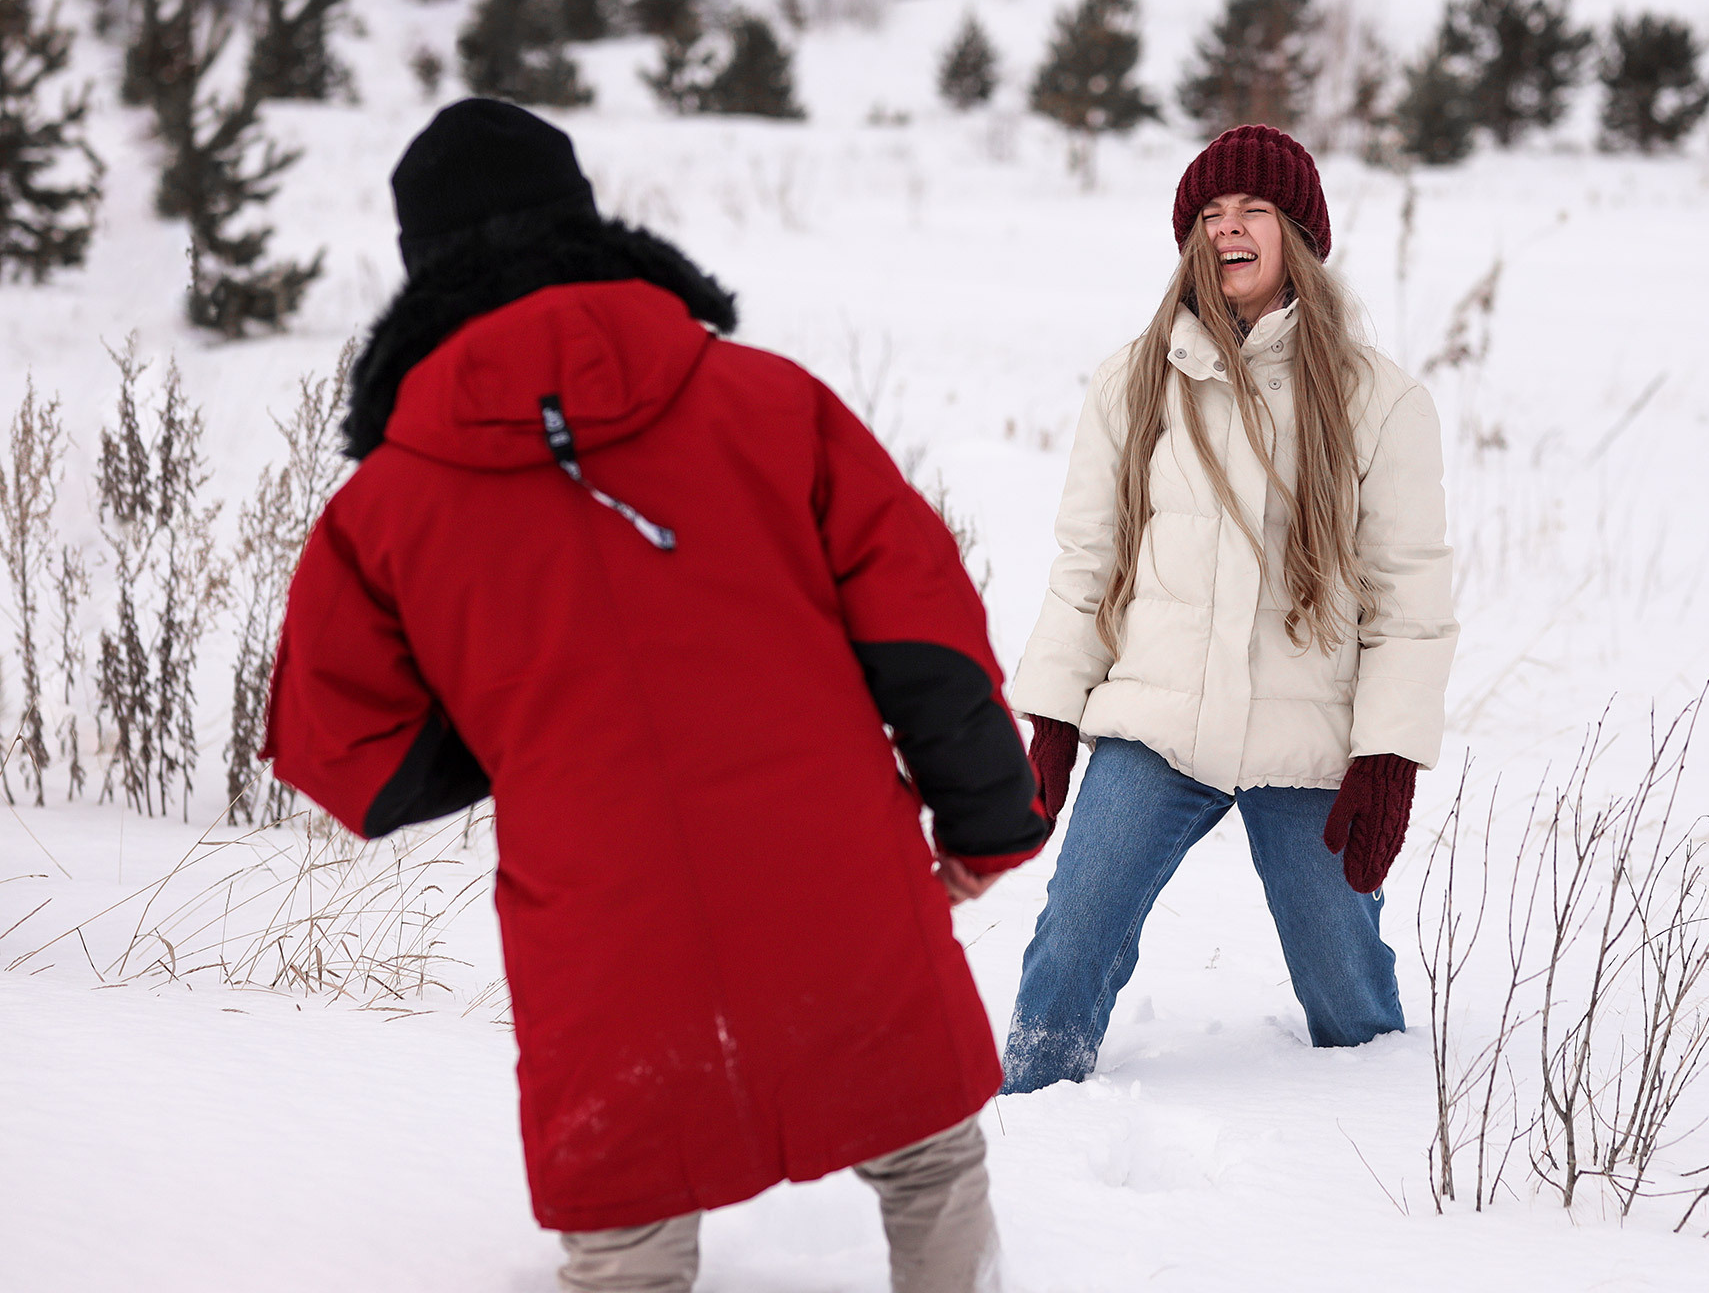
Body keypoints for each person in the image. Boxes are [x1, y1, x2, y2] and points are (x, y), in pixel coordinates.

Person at [263, 99, 1048, 1293]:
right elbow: (926, 633)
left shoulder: (381, 509)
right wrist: (986, 821)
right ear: (584, 223)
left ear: (421, 266)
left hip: (597, 912)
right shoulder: (771, 402)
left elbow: (345, 752)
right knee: (929, 1154)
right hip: (836, 866)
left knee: (628, 1233)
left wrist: (525, 729)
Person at [1002, 124, 1457, 1093]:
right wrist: (1050, 714)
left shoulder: (1380, 400)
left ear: (1297, 231)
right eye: (1209, 214)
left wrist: (1387, 754)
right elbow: (1089, 562)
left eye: (1253, 210)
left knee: (1349, 1004)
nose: (1229, 231)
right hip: (1157, 721)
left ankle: (1387, 1135)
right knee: (1067, 947)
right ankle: (1028, 1121)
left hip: (1304, 739)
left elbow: (1409, 598)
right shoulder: (1135, 382)